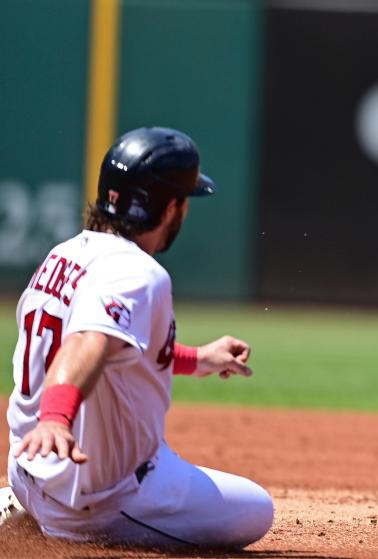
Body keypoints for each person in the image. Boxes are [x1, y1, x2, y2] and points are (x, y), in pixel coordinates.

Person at [5, 127, 273, 548]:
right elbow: (86, 342)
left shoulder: (65, 253)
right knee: (256, 509)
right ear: (170, 209)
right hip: (96, 498)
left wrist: (198, 357)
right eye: (185, 201)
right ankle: (75, 526)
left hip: (28, 471)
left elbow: (119, 348)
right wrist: (56, 418)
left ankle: (21, 499)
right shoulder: (138, 273)